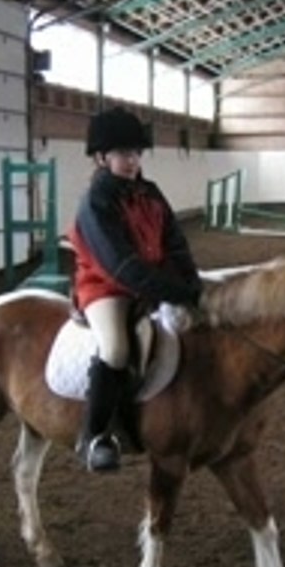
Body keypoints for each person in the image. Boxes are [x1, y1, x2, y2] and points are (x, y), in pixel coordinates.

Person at [71, 106, 203, 472]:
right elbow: (121, 264)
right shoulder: (95, 202)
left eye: (135, 153)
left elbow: (175, 243)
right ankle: (94, 435)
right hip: (106, 287)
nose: (131, 161)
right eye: (122, 154)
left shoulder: (150, 193)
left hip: (150, 283)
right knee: (115, 348)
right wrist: (169, 290)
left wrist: (191, 282)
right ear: (101, 157)